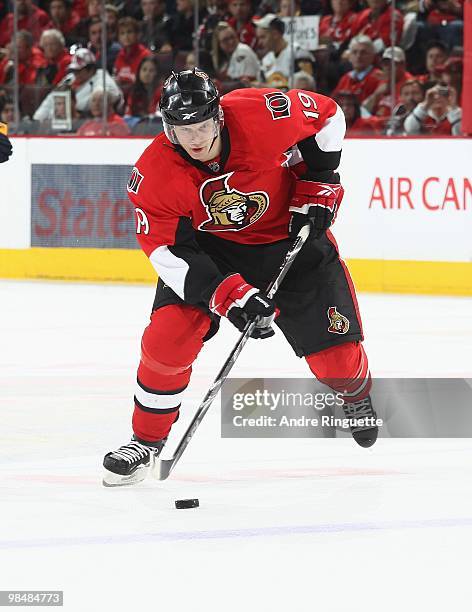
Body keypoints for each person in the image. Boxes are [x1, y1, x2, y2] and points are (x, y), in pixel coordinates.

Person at [103, 68, 378, 487]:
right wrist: (231, 296)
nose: (193, 139)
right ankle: (146, 440)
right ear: (167, 127)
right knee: (167, 340)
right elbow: (167, 252)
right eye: (181, 128)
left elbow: (328, 116)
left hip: (291, 241)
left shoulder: (263, 112)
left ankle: (355, 395)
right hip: (215, 255)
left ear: (218, 116)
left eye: (201, 125)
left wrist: (320, 182)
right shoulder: (154, 172)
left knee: (337, 362)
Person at [34, 48, 122, 120]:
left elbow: (104, 98)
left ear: (90, 69)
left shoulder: (102, 78)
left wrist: (68, 106)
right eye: (74, 70)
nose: (75, 73)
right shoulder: (70, 78)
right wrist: (38, 118)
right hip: (62, 121)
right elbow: (53, 97)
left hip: (90, 121)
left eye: (79, 70)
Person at [332, 35, 383, 103]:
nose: (358, 56)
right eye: (354, 52)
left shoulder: (378, 77)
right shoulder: (345, 78)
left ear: (372, 56)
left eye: (363, 52)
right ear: (350, 56)